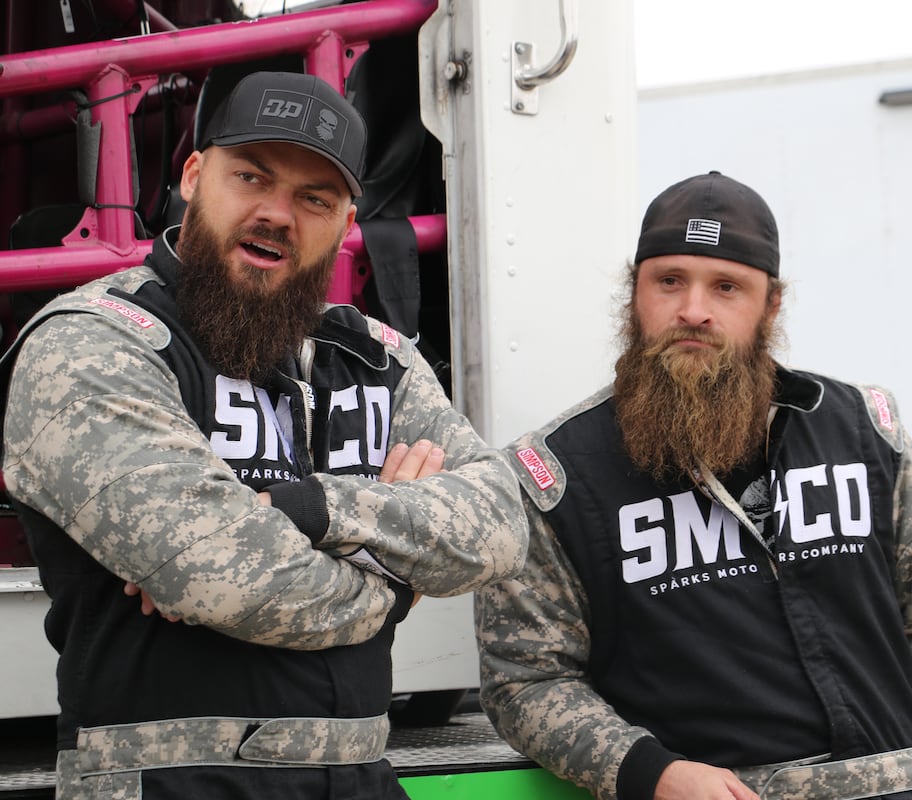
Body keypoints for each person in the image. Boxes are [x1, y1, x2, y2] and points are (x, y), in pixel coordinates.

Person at [0, 71, 526, 799]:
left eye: (315, 198)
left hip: (362, 775)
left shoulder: (376, 357)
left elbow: (500, 524)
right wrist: (401, 581)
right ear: (193, 177)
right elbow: (219, 574)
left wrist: (310, 511)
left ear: (346, 223)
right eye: (251, 176)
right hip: (167, 779)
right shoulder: (93, 342)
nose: (277, 213)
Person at [475, 171, 912, 800]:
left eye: (727, 286)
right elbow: (526, 680)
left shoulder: (865, 430)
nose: (694, 310)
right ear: (634, 295)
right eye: (669, 281)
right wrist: (651, 772)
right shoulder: (555, 477)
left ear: (772, 305)